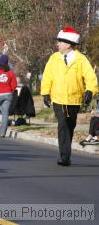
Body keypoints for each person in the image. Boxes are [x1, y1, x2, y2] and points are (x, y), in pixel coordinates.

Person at [41, 27, 98, 166]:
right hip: (58, 99)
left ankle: (66, 154)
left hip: (74, 99)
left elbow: (90, 76)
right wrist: (46, 93)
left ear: (68, 44)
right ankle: (64, 156)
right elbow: (47, 76)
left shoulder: (81, 59)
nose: (57, 44)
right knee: (62, 124)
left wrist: (90, 91)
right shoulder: (54, 58)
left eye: (60, 41)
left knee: (70, 126)